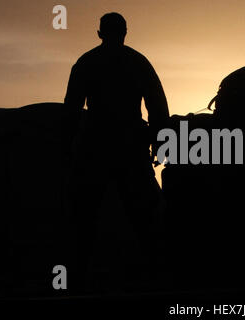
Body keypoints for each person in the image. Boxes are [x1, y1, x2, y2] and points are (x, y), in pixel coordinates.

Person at [64, 12, 169, 291]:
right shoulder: (137, 62)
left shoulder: (87, 62)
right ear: (125, 32)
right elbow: (157, 105)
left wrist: (68, 148)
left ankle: (77, 279)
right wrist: (159, 141)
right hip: (129, 146)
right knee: (144, 215)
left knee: (84, 216)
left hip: (95, 147)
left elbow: (71, 109)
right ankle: (156, 277)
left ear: (100, 33)